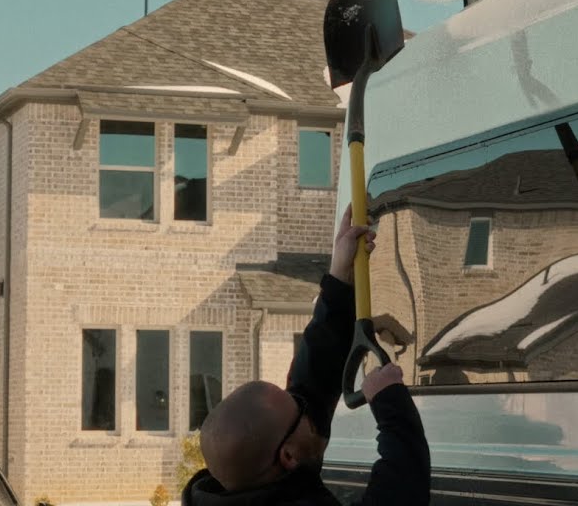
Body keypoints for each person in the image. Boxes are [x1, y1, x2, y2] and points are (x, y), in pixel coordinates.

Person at [182, 205, 431, 505]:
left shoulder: (241, 486)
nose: (307, 403)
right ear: (287, 456)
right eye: (300, 412)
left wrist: (339, 279)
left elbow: (310, 385)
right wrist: (392, 408)